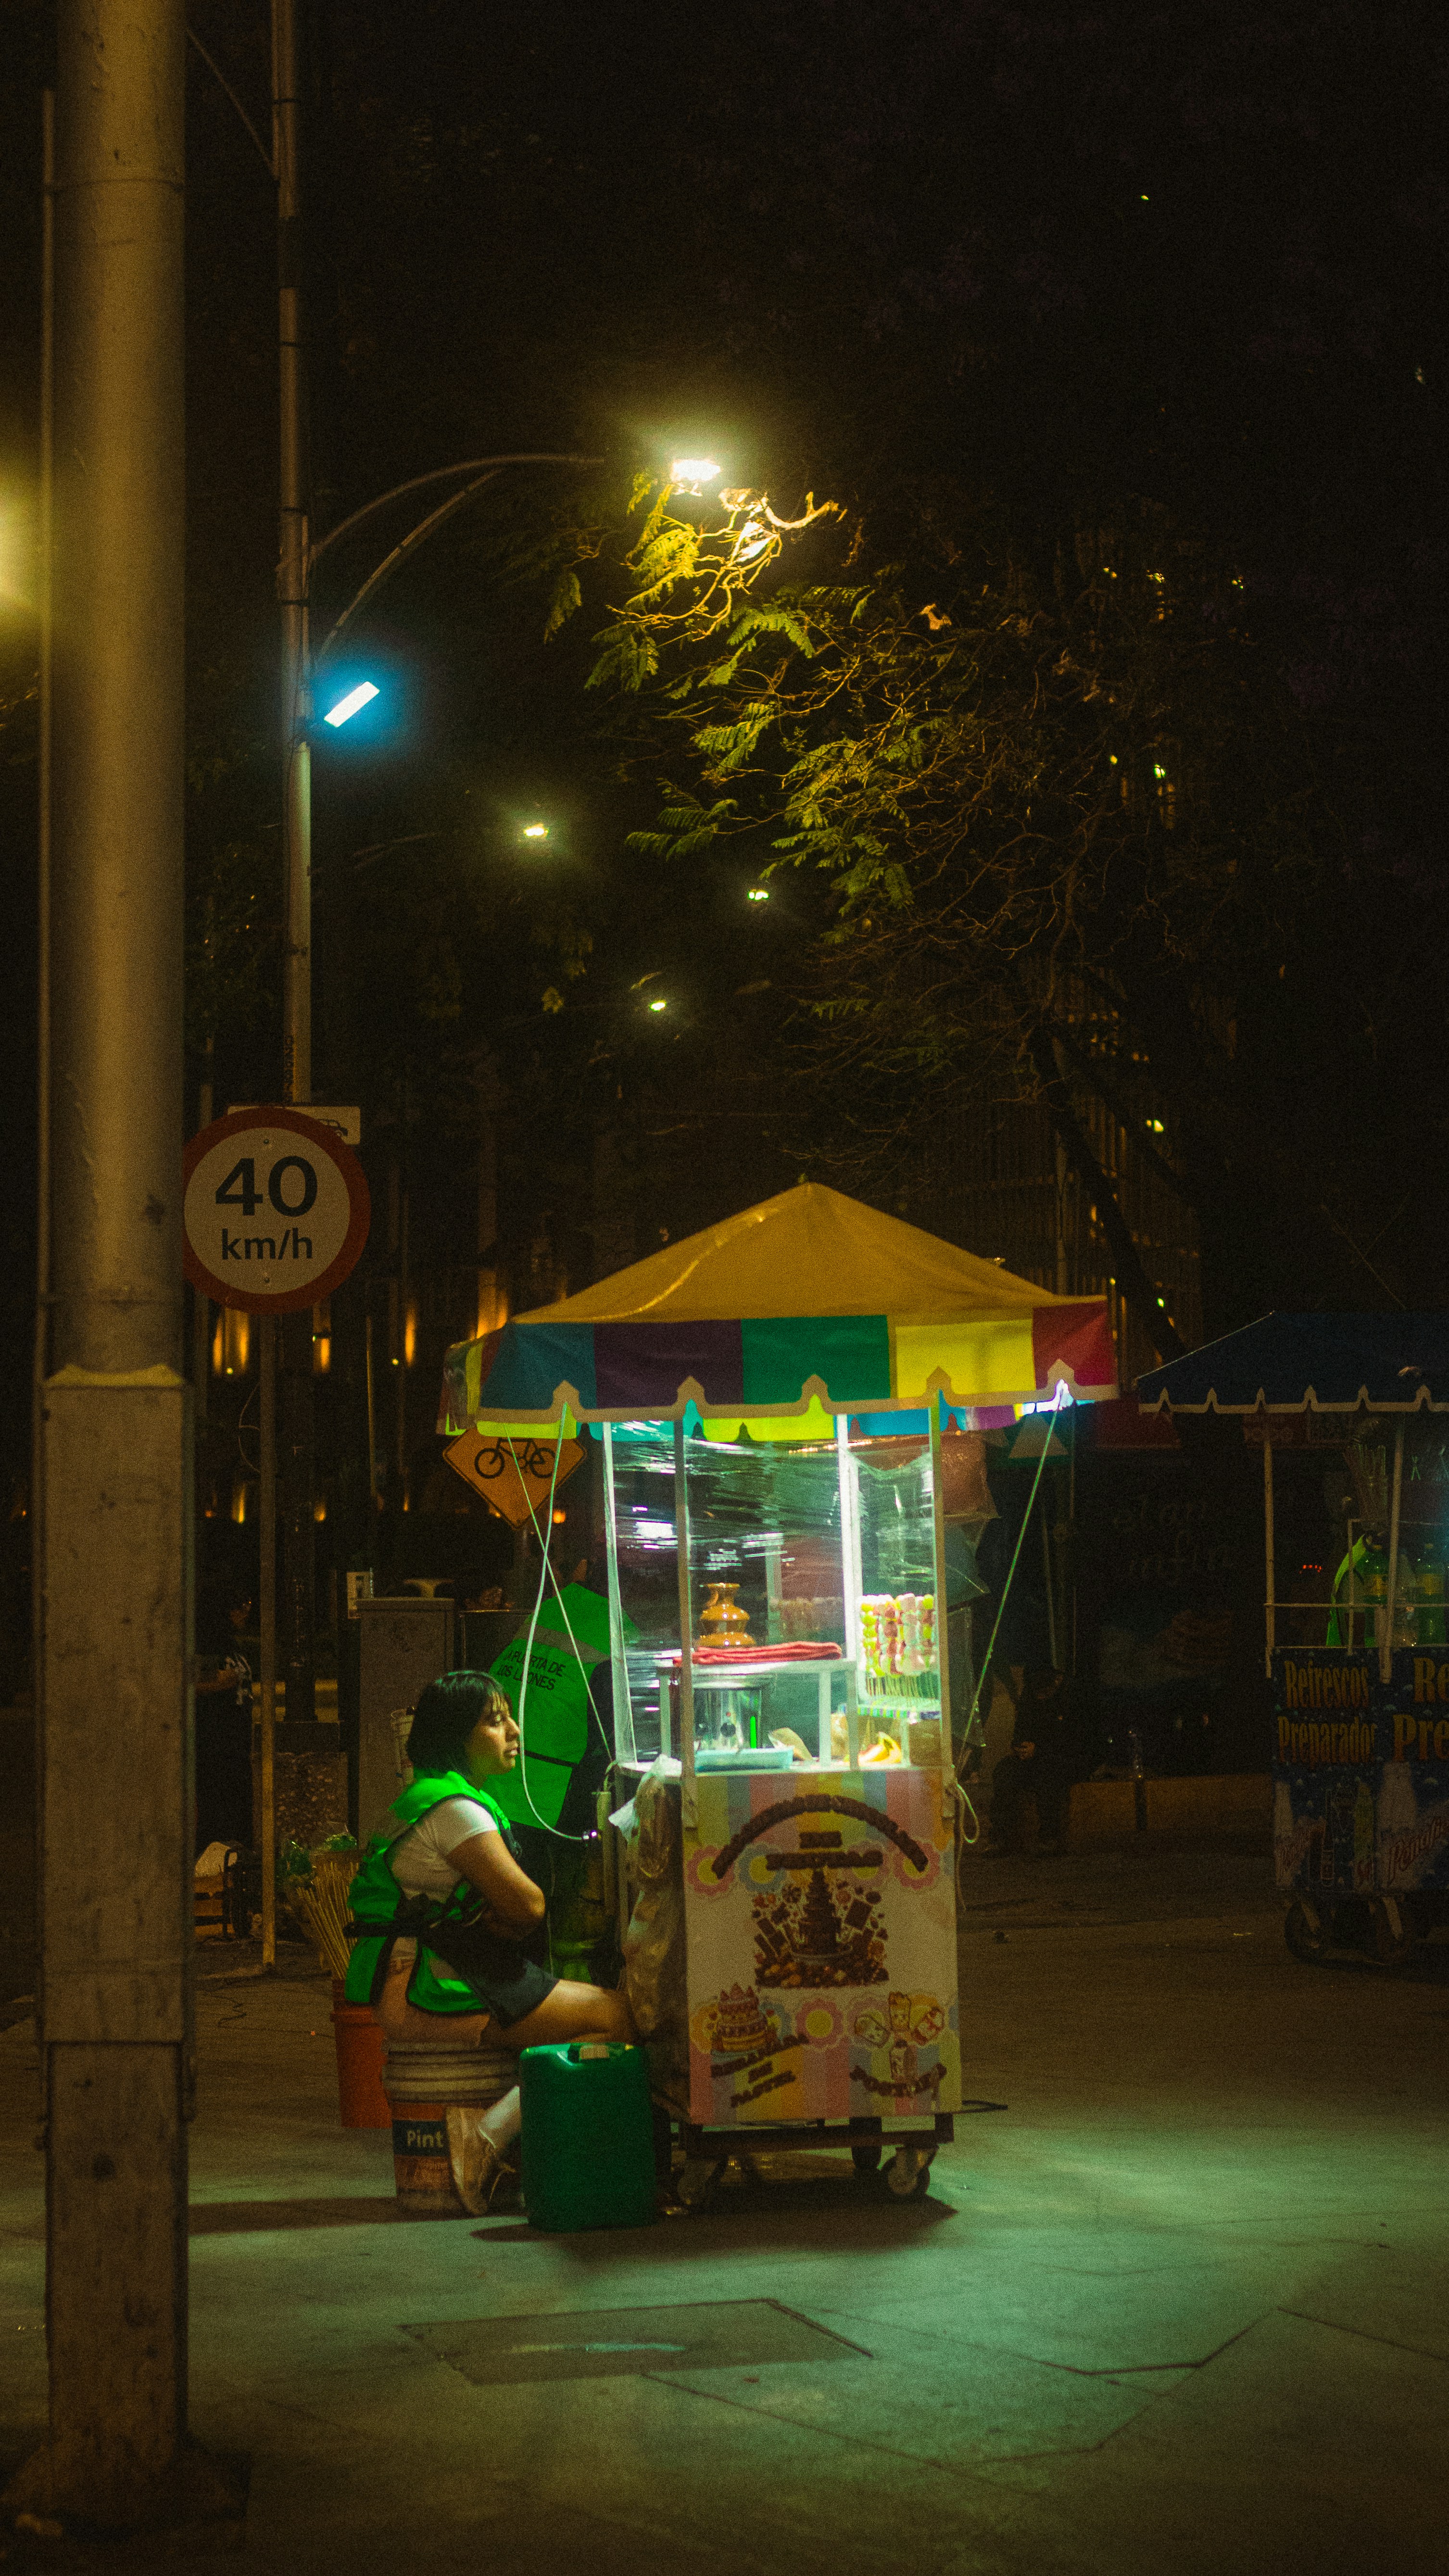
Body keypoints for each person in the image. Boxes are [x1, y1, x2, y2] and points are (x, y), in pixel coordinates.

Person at [344, 1668, 635, 2211]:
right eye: (495, 1721)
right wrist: (507, 1922)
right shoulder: (453, 1811)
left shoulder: (432, 1797)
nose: (515, 1731)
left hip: (425, 1974)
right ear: (457, 1736)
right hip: (423, 1988)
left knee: (596, 2011)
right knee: (616, 2018)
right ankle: (486, 2138)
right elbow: (528, 1906)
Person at [989, 1666, 1088, 1855]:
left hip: (1060, 1759)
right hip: (1032, 1759)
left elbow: (1074, 1742)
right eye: (1038, 1693)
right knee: (1004, 1771)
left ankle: (1049, 1837)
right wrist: (1020, 1748)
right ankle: (1003, 1838)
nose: (1041, 1697)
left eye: (1045, 1693)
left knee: (1048, 1774)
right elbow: (1020, 1731)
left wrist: (1040, 1749)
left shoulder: (1071, 1700)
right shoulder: (1029, 1698)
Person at [193, 1574, 255, 1856]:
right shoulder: (206, 1641)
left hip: (236, 1745)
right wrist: (222, 1681)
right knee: (217, 1813)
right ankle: (214, 1865)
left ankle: (233, 1861)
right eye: (239, 1606)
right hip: (214, 1745)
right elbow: (193, 1681)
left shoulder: (230, 1643)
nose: (245, 1612)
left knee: (237, 1810)